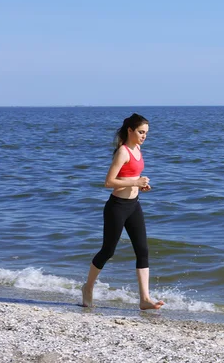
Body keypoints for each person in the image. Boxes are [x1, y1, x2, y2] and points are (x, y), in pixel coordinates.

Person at [81, 113, 164, 310]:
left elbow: (129, 176)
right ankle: (88, 288)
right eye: (141, 132)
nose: (144, 136)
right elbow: (109, 182)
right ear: (130, 130)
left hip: (134, 204)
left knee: (142, 250)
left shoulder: (138, 149)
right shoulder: (123, 152)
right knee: (108, 251)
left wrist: (139, 186)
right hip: (117, 207)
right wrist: (135, 182)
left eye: (146, 133)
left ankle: (144, 299)